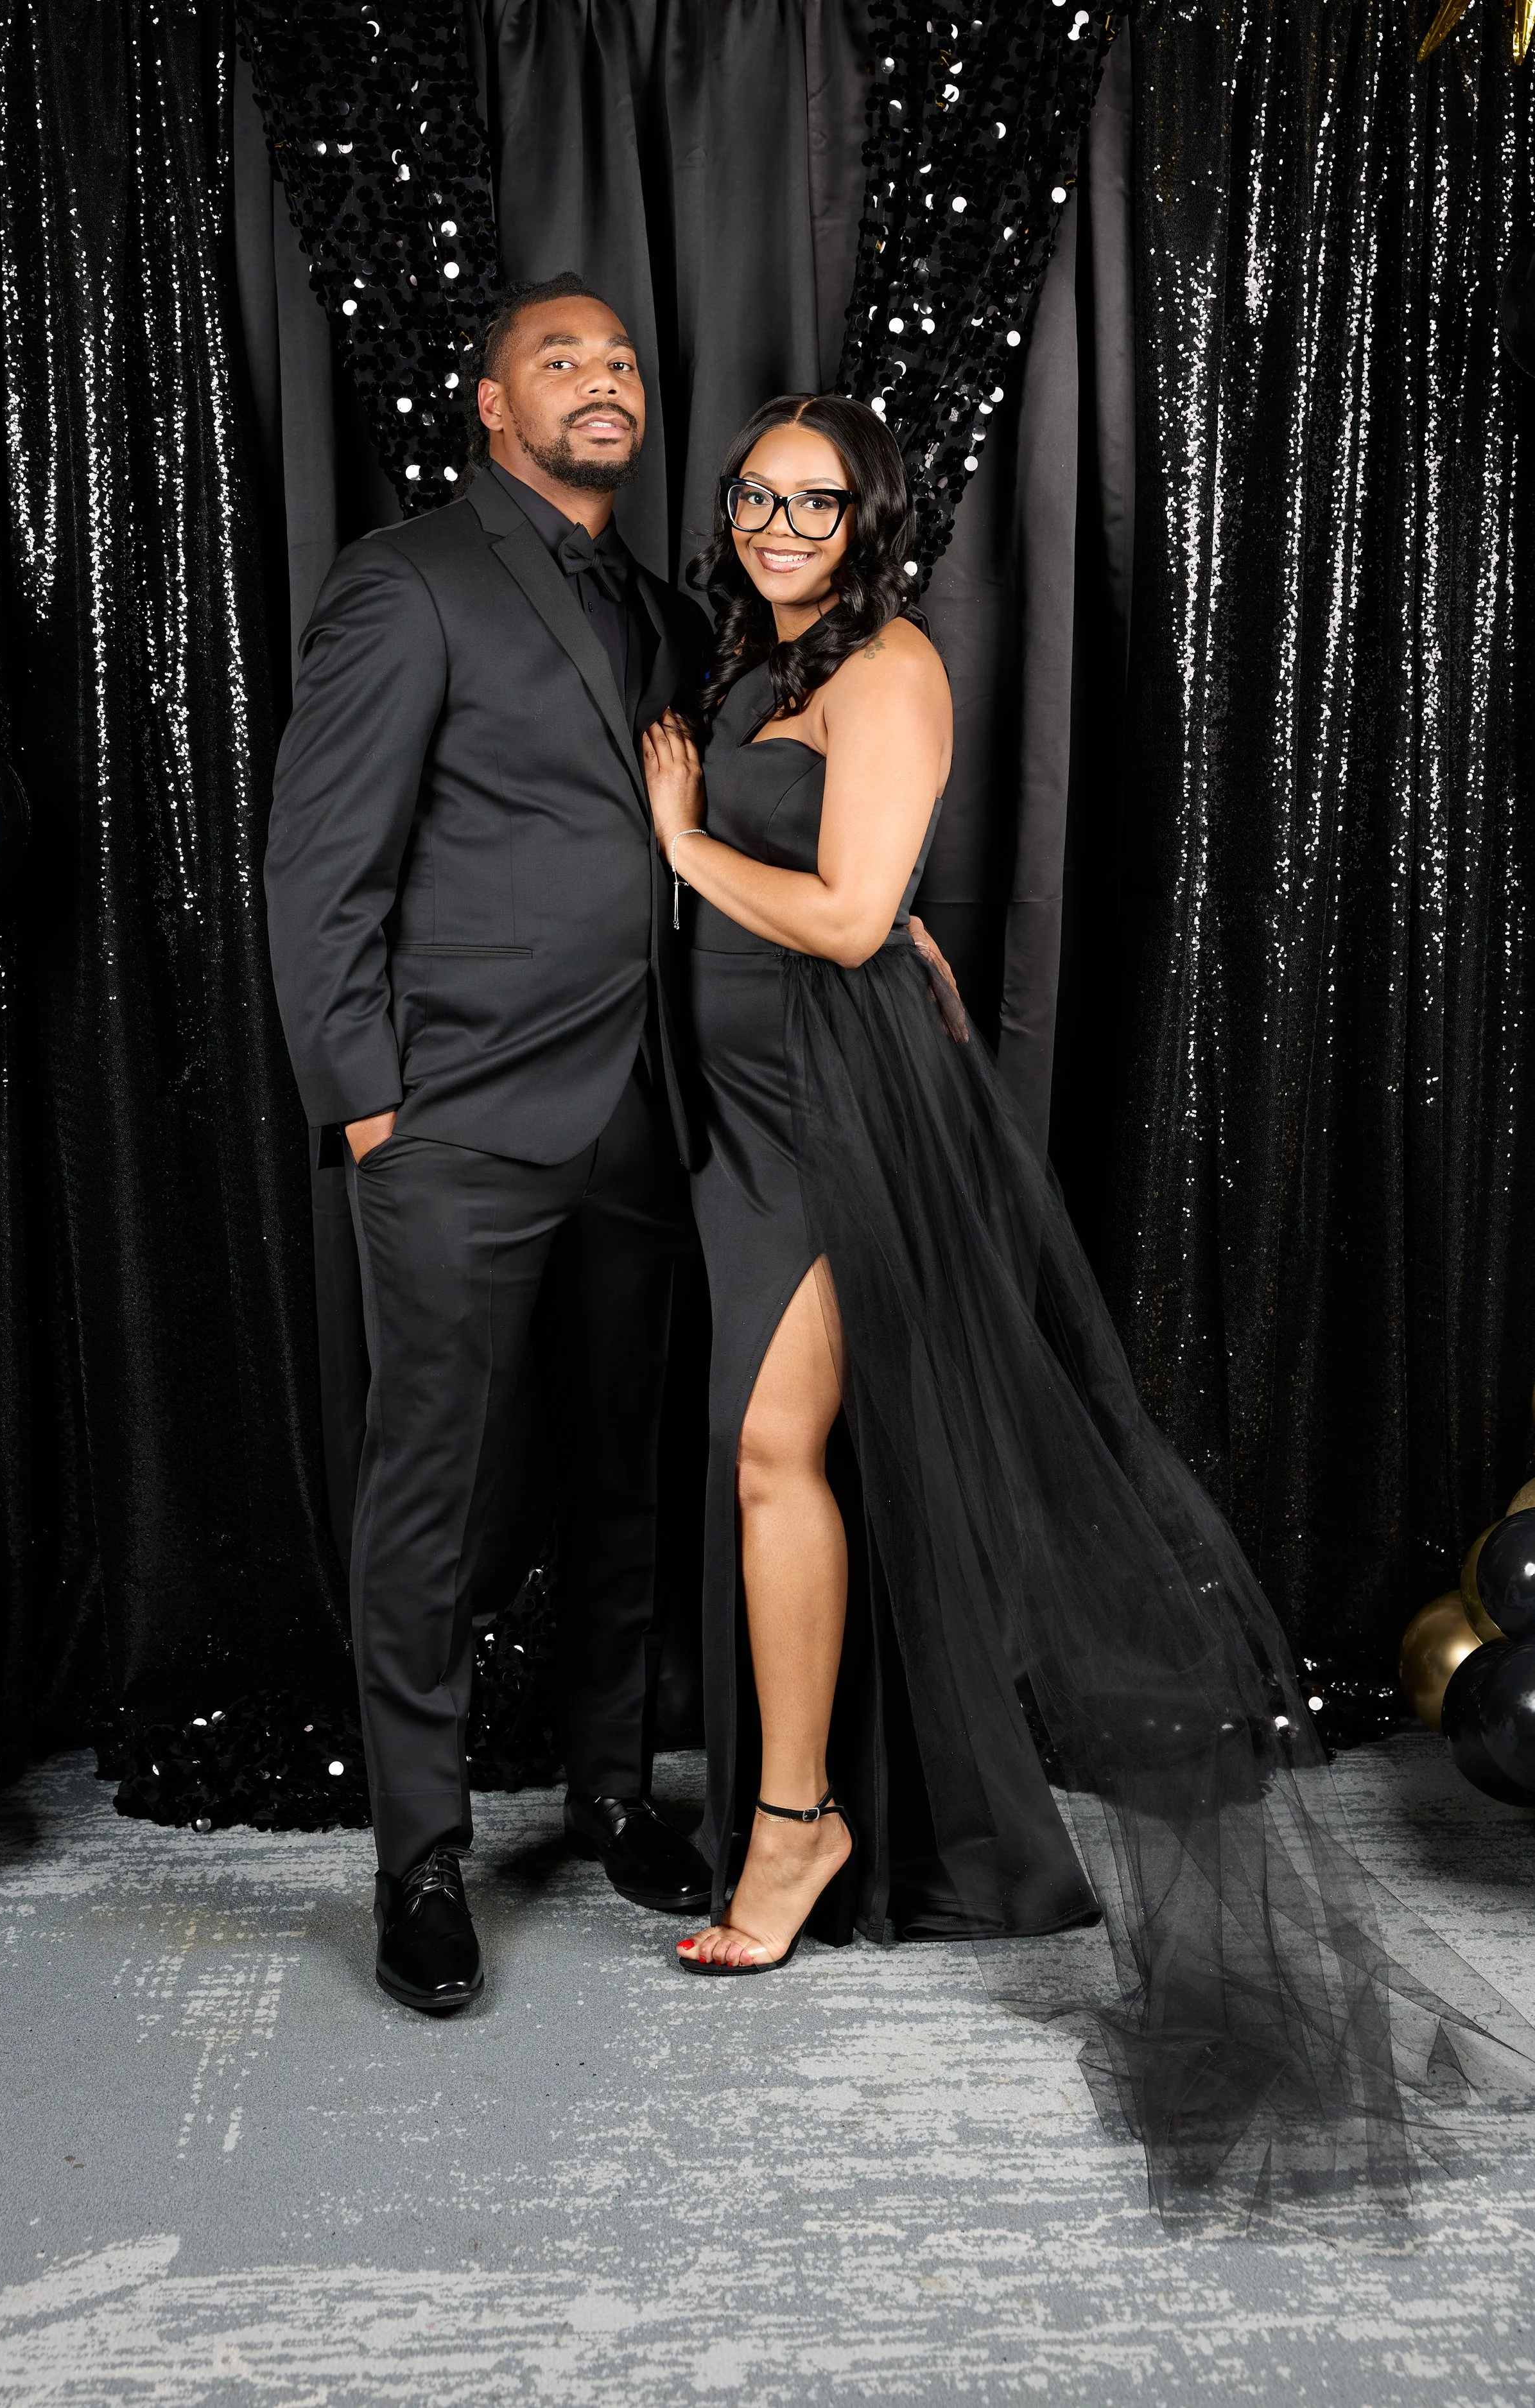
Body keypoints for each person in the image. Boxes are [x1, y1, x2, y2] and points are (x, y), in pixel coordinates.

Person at [639, 394, 1533, 2220]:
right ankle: (820, 1803)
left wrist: (680, 841)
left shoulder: (884, 667)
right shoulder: (754, 657)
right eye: (757, 492)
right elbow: (869, 923)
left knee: (767, 1450)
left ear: (871, 516)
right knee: (790, 1456)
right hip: (742, 1109)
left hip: (836, 1107)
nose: (780, 520)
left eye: (817, 498)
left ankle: (797, 1828)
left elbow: (845, 912)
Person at [265, 274, 713, 2017]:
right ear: (487, 402)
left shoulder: (669, 612)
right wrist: (369, 1096)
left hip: (642, 1112)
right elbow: (320, 868)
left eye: (619, 358)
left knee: (623, 1471)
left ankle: (611, 1784)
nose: (602, 379)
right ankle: (421, 1853)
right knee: (430, 1487)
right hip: (454, 1109)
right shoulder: (407, 580)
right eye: (560, 358)